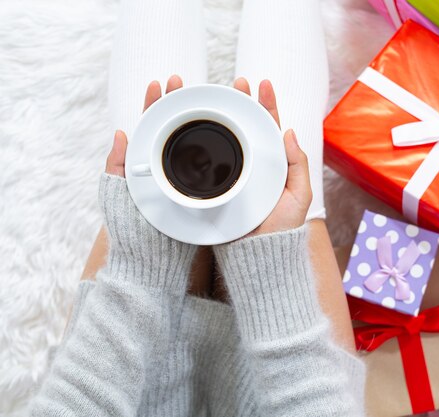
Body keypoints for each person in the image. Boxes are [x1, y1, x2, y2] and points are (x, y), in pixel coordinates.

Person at [28, 0, 365, 415]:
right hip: (290, 378)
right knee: (284, 168)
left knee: (148, 137)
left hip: (129, 378)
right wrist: (274, 276)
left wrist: (140, 276)